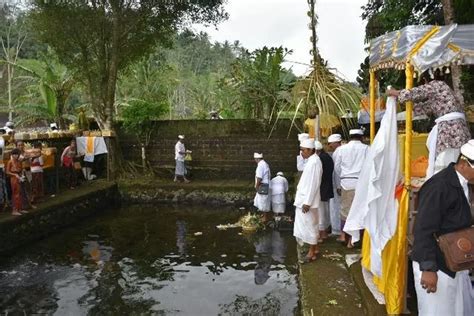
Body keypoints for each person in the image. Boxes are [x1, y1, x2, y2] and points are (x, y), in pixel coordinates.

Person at [411, 140, 474, 316]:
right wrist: (428, 269)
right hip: (436, 264)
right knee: (439, 311)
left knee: (457, 309)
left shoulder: (465, 184)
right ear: (464, 164)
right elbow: (423, 229)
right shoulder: (438, 187)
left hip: (455, 259)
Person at [387, 72, 470, 178]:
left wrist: (395, 92)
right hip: (458, 131)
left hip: (451, 132)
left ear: (426, 80)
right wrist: (400, 104)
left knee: (447, 167)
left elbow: (415, 93)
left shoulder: (437, 84)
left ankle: (445, 191)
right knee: (455, 165)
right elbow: (422, 108)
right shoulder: (444, 93)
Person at [333, 129, 368, 247]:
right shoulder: (367, 149)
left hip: (346, 182)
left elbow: (337, 168)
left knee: (345, 210)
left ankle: (344, 235)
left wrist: (341, 180)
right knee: (359, 210)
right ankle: (352, 240)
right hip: (361, 183)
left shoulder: (341, 150)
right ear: (361, 137)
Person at [293, 138, 323, 263]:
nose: (302, 153)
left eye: (303, 150)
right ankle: (314, 249)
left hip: (307, 201)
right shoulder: (311, 161)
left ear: (310, 150)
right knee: (310, 225)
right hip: (304, 199)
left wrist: (308, 202)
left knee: (310, 226)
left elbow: (313, 184)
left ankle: (311, 253)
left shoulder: (314, 162)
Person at [314, 140, 334, 241]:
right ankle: (324, 231)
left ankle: (323, 233)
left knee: (321, 211)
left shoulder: (320, 159)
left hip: (322, 188)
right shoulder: (327, 157)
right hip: (327, 187)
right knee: (325, 210)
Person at [327, 133, 342, 236]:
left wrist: (337, 186)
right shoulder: (337, 152)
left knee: (336, 207)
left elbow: (337, 170)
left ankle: (337, 230)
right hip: (339, 184)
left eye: (330, 144)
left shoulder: (339, 152)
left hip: (339, 185)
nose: (329, 146)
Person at [6, 148, 25, 216]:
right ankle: (14, 210)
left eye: (17, 154)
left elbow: (21, 169)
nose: (16, 156)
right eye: (14, 154)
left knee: (20, 193)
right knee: (15, 193)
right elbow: (7, 172)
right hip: (14, 178)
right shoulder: (10, 162)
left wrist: (22, 175)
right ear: (12, 155)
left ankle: (19, 208)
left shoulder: (19, 161)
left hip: (19, 177)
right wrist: (15, 174)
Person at [253, 152, 271, 222]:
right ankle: (264, 216)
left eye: (255, 159)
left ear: (257, 159)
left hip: (263, 185)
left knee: (263, 202)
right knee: (261, 201)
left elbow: (259, 177)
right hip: (266, 184)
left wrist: (257, 186)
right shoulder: (265, 164)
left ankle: (265, 218)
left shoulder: (260, 165)